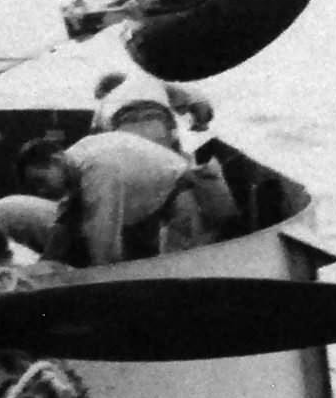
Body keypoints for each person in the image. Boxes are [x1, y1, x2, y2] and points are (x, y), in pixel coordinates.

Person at [45, 72, 234, 266]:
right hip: (158, 126)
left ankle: (138, 256)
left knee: (139, 189)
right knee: (173, 179)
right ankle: (184, 248)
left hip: (125, 129)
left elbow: (97, 146)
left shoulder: (104, 104)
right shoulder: (153, 81)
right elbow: (201, 104)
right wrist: (201, 122)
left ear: (105, 92)